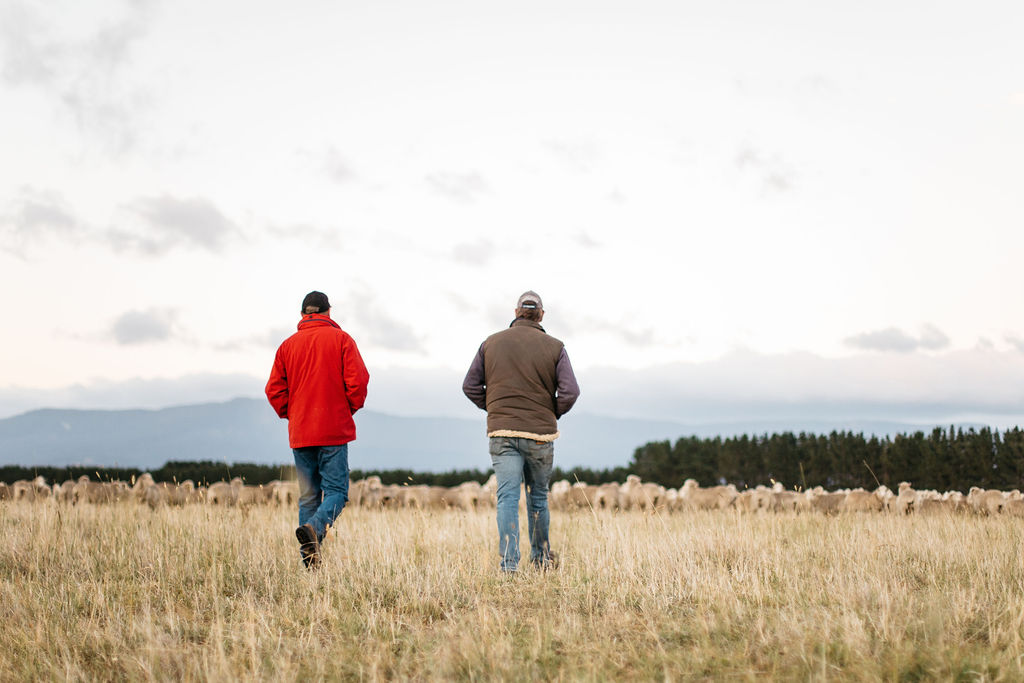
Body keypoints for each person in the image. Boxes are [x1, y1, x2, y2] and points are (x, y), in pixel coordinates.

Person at [462, 290, 580, 572]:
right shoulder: (555, 347)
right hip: (540, 435)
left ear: (516, 313)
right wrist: (551, 412)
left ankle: (509, 566)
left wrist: (495, 408)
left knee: (507, 497)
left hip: (501, 433)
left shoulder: (490, 343)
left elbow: (469, 386)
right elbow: (571, 391)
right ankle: (540, 560)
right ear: (541, 315)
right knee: (538, 496)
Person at [265, 291, 369, 569]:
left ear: (302, 315)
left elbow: (274, 390)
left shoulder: (287, 346)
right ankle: (316, 527)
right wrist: (346, 409)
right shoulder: (342, 340)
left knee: (308, 496)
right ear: (328, 312)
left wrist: (293, 413)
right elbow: (358, 383)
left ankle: (310, 564)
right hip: (333, 430)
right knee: (337, 491)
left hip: (301, 433)